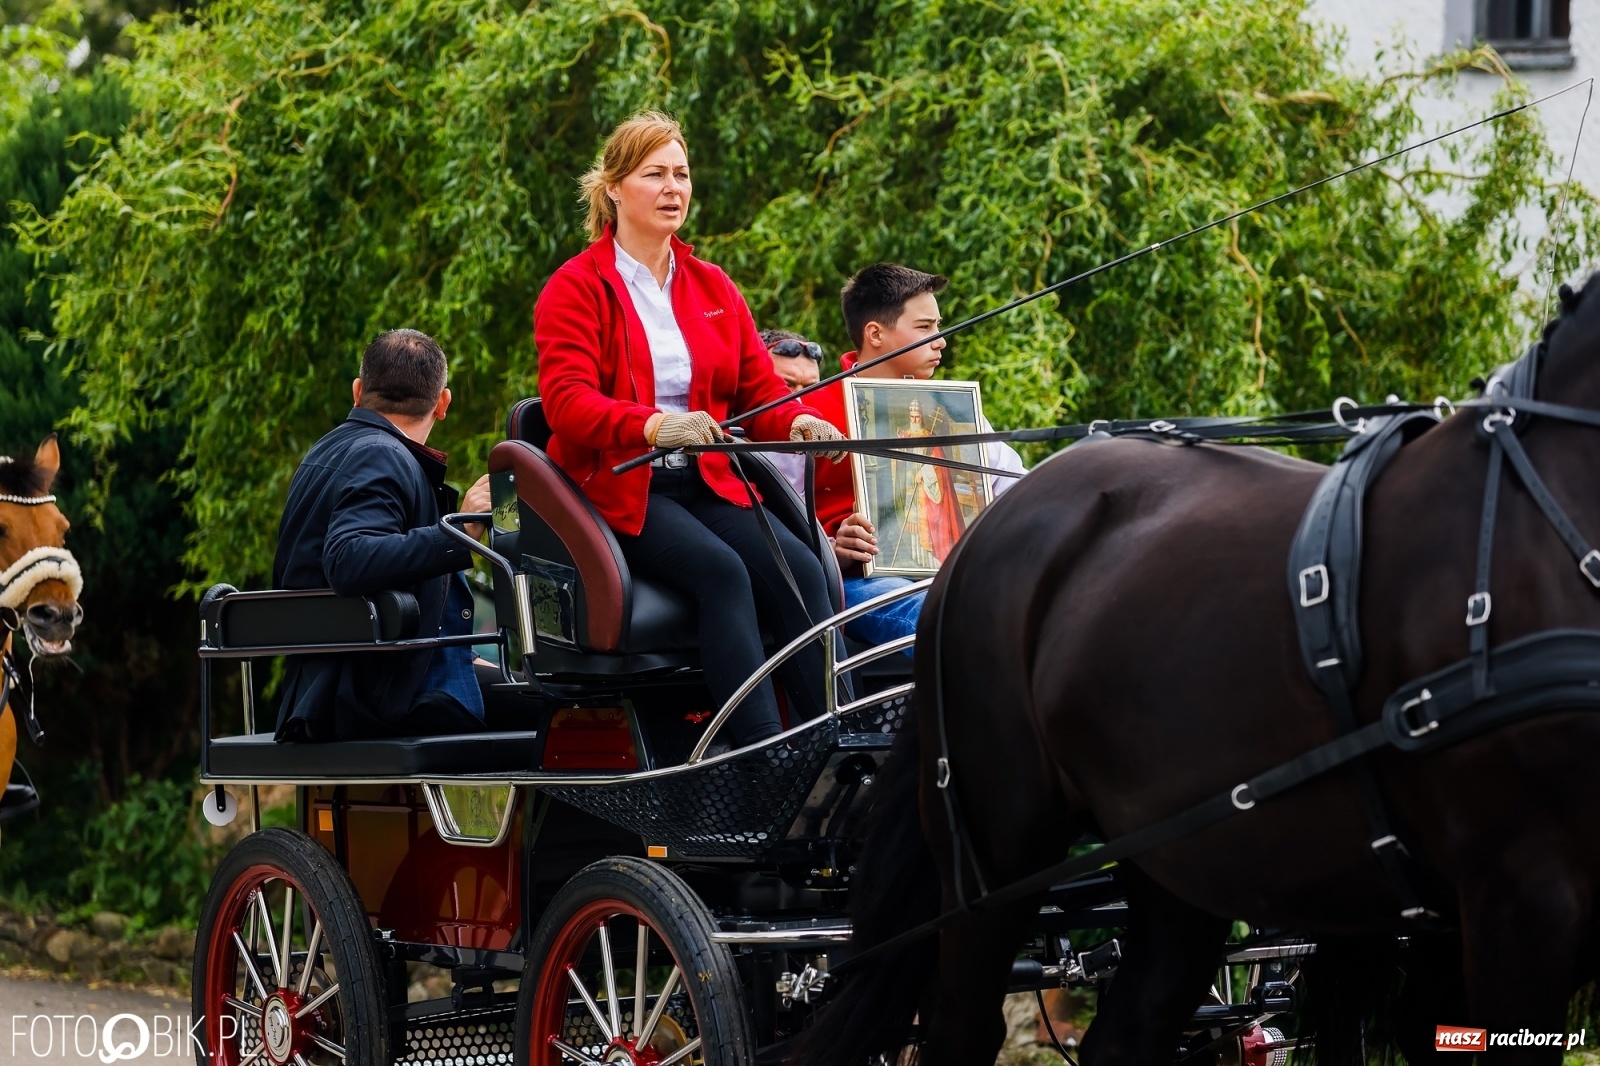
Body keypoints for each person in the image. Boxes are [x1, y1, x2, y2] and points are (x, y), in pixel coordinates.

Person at [533, 111, 848, 748]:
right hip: (621, 488)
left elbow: (761, 393)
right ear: (615, 187)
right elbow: (566, 404)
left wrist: (802, 421)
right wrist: (655, 426)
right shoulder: (575, 287)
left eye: (682, 173)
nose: (674, 187)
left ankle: (837, 740)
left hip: (705, 481)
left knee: (803, 570)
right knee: (721, 573)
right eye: (656, 174)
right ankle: (764, 755)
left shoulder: (712, 285)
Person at [273, 329, 493, 741]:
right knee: (559, 710)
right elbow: (350, 559)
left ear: (357, 392)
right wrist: (462, 531)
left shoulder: (329, 449)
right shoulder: (382, 454)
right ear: (442, 404)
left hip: (334, 685)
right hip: (375, 694)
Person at [810, 263, 1026, 648]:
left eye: (938, 326)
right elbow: (772, 518)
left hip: (956, 575)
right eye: (925, 328)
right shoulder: (812, 411)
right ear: (875, 333)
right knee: (940, 618)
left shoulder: (951, 408)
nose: (940, 340)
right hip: (861, 581)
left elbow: (1013, 487)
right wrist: (831, 548)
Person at [759, 328, 824, 496]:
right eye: (786, 385)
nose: (798, 399)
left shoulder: (830, 438)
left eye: (810, 388)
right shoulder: (724, 449)